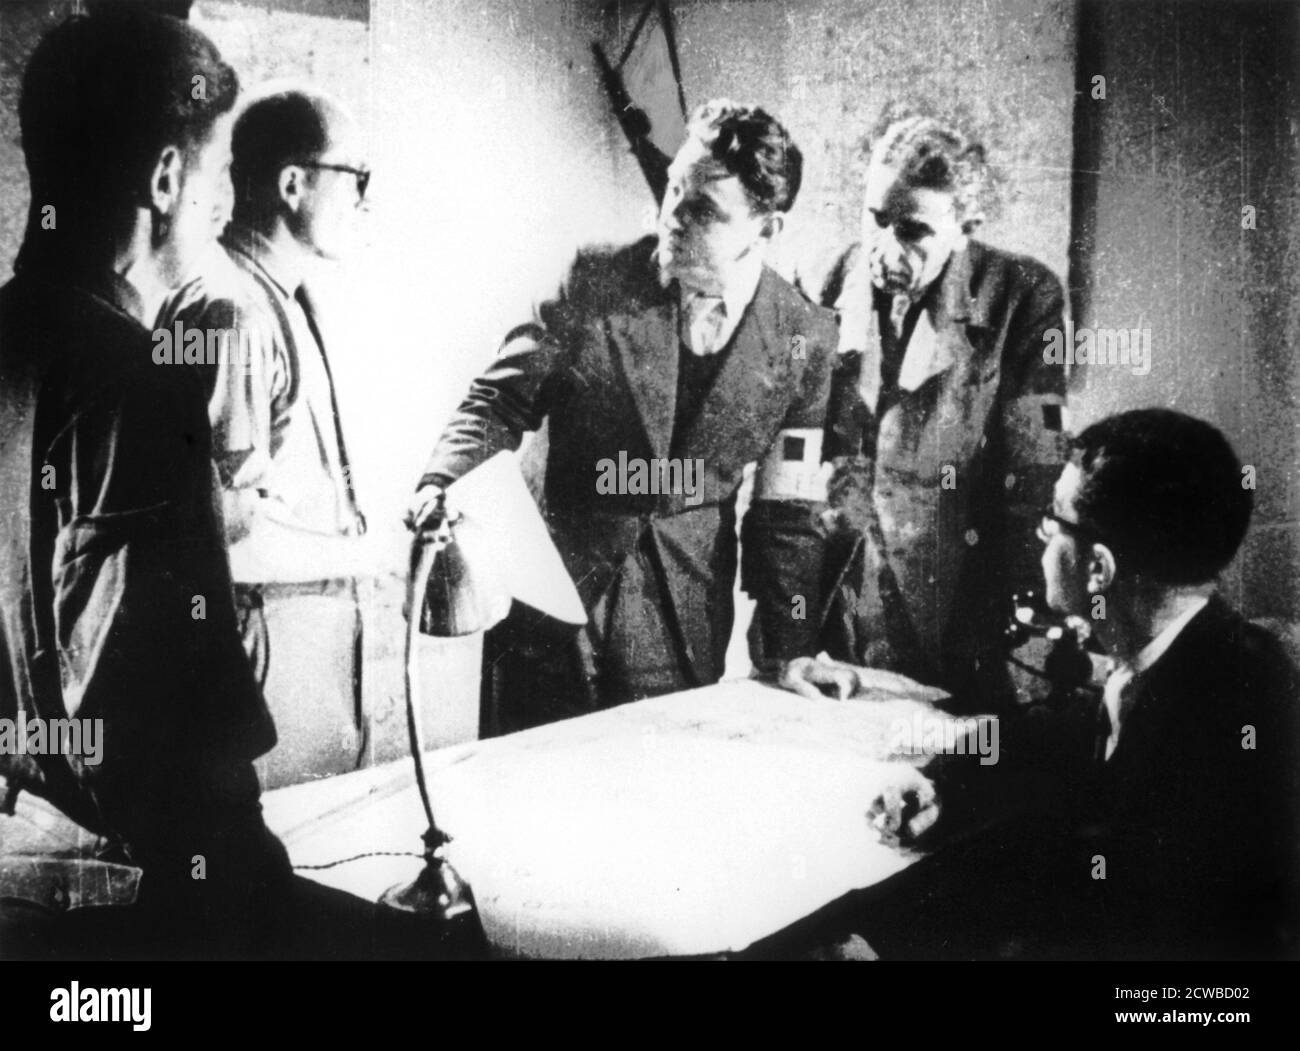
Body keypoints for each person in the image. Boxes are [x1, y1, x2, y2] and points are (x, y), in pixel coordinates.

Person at [0, 11, 392, 960]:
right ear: (165, 179)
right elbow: (169, 737)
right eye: (218, 174)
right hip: (132, 897)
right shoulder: (138, 380)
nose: (225, 205)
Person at [796, 409, 1299, 960]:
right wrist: (944, 785)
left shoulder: (1230, 715)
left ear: (1097, 570)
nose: (1041, 541)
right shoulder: (1182, 660)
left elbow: (1110, 920)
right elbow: (1060, 739)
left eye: (1052, 522)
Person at [406, 99, 838, 735]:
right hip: (551, 602)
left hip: (680, 626)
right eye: (672, 191)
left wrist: (792, 644)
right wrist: (439, 482)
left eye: (703, 211)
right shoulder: (595, 280)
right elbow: (498, 401)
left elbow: (787, 513)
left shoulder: (805, 335)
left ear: (766, 229)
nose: (670, 218)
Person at [791, 115, 1068, 713]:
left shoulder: (1025, 295)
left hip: (957, 578)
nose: (885, 248)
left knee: (950, 752)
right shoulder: (822, 279)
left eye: (913, 229)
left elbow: (1035, 468)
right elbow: (792, 450)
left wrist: (1023, 606)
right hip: (840, 575)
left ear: (966, 227)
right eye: (876, 219)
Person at [158, 88, 374, 787]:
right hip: (257, 647)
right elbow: (213, 522)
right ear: (293, 183)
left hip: (288, 641)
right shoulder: (235, 312)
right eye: (355, 179)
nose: (363, 202)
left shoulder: (270, 294)